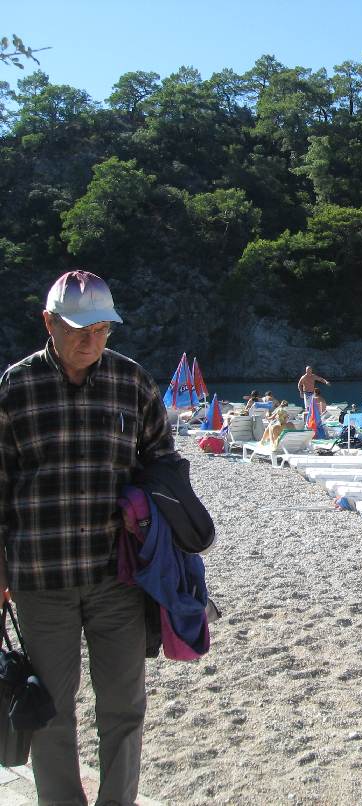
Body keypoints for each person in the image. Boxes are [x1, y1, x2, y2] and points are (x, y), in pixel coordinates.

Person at [0, 270, 176, 804]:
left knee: (124, 705)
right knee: (50, 709)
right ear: (48, 323)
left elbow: (164, 464)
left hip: (116, 574)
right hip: (40, 575)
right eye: (79, 330)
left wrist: (158, 529)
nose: (91, 341)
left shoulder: (132, 382)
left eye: (101, 330)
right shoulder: (15, 388)